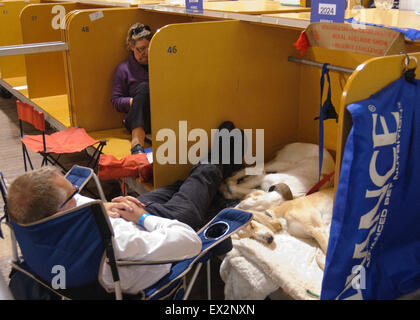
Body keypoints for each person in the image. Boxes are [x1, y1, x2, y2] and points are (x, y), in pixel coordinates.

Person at [6, 121, 244, 295]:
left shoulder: (35, 227)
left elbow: (75, 206)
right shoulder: (119, 243)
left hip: (124, 218)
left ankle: (218, 177)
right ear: (59, 213)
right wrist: (142, 218)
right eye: (74, 195)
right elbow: (189, 241)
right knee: (200, 183)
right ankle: (223, 149)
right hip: (152, 229)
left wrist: (106, 205)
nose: (80, 198)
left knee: (182, 187)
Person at [111, 23, 153, 155]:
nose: (145, 54)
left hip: (158, 114)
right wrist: (134, 102)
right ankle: (137, 144)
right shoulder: (123, 69)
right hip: (136, 117)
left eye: (148, 49)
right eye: (140, 49)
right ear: (131, 47)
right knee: (144, 87)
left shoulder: (160, 64)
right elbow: (116, 101)